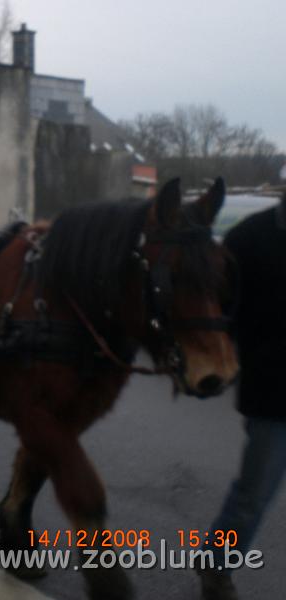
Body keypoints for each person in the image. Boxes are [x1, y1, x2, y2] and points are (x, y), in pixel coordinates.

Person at [198, 192, 286, 600]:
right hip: (275, 395)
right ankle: (216, 564)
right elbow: (216, 310)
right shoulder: (248, 239)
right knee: (254, 493)